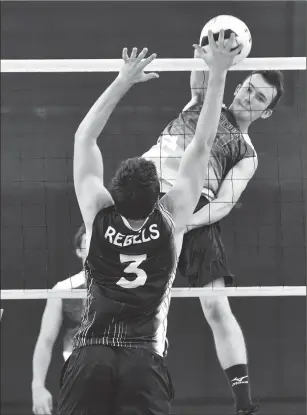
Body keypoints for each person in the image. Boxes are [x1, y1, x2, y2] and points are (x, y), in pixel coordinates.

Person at [57, 31, 242, 415]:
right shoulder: (171, 217)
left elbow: (83, 139)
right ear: (158, 191)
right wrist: (219, 73)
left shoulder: (97, 213)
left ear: (114, 193)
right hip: (144, 359)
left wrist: (122, 80)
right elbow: (202, 144)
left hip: (91, 352)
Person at [142, 31, 285, 415]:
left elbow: (223, 204)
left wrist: (184, 223)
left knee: (215, 305)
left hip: (195, 211)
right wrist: (207, 49)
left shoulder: (247, 151)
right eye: (247, 87)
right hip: (147, 195)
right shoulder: (206, 102)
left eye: (258, 97)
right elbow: (201, 77)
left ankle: (243, 403)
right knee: (133, 295)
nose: (246, 97)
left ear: (265, 111)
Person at [32, 225, 86, 415]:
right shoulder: (64, 289)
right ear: (79, 251)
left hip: (121, 374)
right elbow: (45, 340)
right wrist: (37, 385)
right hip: (79, 373)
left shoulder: (126, 285)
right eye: (89, 244)